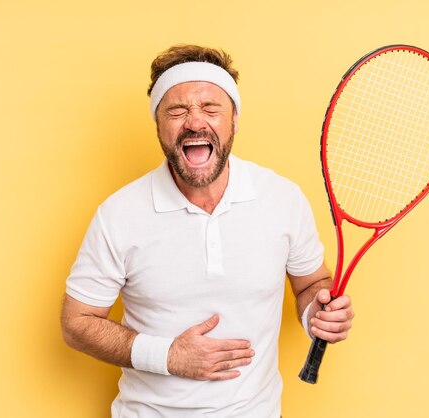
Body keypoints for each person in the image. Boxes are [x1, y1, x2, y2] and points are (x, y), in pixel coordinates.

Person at [60, 44, 354, 417]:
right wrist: (168, 356)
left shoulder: (282, 198)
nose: (195, 122)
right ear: (158, 125)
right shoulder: (119, 214)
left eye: (211, 108)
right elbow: (76, 323)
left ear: (234, 120)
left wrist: (318, 312)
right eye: (177, 110)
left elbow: (312, 284)